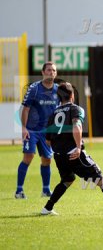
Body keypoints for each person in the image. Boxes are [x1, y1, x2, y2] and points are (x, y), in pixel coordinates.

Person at [41, 82, 103, 215]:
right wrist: (78, 147)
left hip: (59, 156)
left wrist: (61, 147)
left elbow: (48, 141)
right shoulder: (76, 109)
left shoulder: (53, 114)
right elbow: (76, 127)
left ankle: (47, 208)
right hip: (74, 154)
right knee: (101, 180)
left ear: (58, 97)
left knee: (67, 180)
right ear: (72, 95)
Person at [15, 61, 59, 199]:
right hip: (32, 130)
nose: (51, 72)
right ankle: (19, 191)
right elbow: (25, 109)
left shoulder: (58, 90)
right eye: (48, 70)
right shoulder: (34, 88)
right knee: (28, 157)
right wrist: (24, 128)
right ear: (43, 72)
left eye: (53, 70)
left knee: (47, 159)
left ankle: (46, 190)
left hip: (47, 132)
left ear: (56, 73)